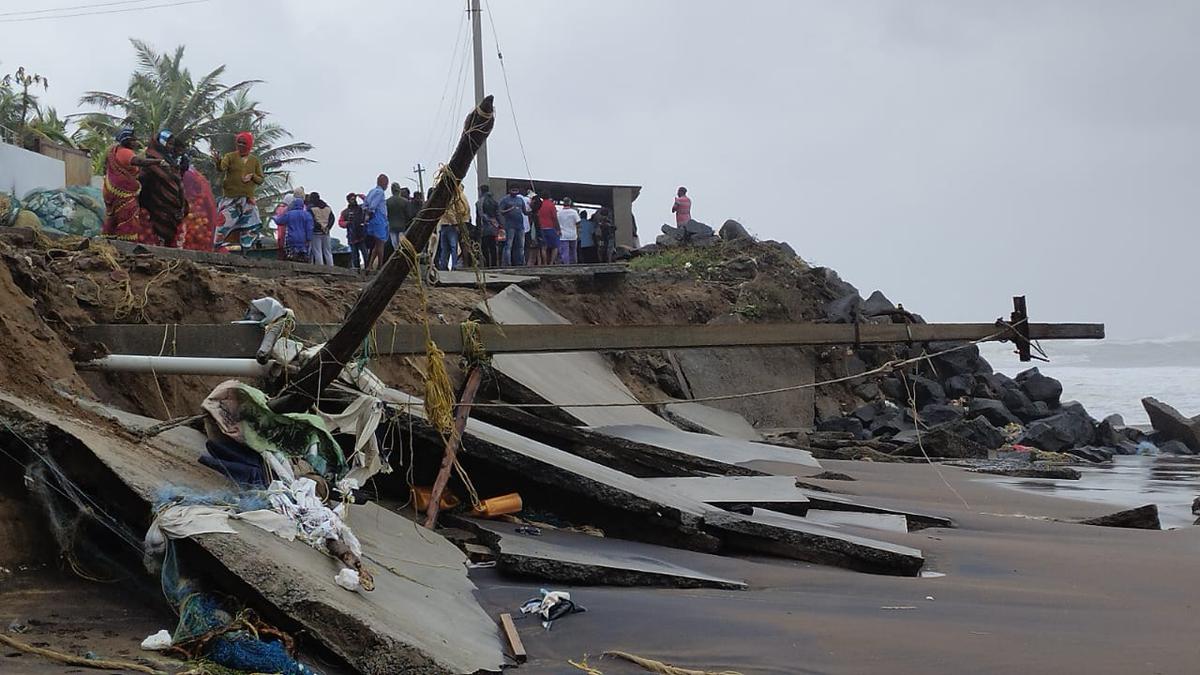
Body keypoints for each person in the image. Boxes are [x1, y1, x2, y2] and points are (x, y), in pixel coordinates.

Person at [101, 128, 166, 243]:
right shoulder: (125, 152)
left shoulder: (115, 151)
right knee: (128, 215)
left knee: (112, 217)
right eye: (133, 140)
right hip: (123, 192)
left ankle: (107, 241)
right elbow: (139, 162)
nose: (136, 143)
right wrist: (158, 162)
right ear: (126, 140)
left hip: (111, 191)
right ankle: (126, 245)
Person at [213, 131, 265, 250]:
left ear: (249, 145)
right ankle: (215, 247)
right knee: (223, 224)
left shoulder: (254, 161)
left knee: (249, 226)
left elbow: (261, 179)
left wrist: (252, 176)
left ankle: (244, 249)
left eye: (244, 143)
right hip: (231, 198)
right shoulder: (230, 157)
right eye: (239, 143)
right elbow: (222, 168)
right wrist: (217, 161)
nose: (241, 145)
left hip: (247, 200)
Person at [138, 129, 189, 247]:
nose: (171, 147)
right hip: (157, 198)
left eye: (172, 144)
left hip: (171, 198)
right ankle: (158, 245)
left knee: (170, 224)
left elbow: (175, 176)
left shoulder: (170, 159)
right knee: (160, 223)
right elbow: (144, 175)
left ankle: (166, 247)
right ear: (162, 142)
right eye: (169, 144)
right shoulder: (151, 157)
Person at [274, 193, 314, 262]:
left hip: (292, 238)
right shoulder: (307, 215)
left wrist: (274, 217)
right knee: (303, 256)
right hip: (303, 239)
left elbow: (279, 221)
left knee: (292, 256)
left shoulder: (289, 214)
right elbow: (309, 228)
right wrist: (309, 238)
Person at [362, 174, 389, 271]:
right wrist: (370, 212)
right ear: (383, 183)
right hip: (379, 218)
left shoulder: (371, 191)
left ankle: (370, 265)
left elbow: (365, 204)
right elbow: (373, 206)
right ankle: (380, 266)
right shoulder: (380, 192)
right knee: (381, 243)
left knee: (377, 244)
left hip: (373, 220)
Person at [498, 185, 526, 266]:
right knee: (508, 245)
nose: (514, 192)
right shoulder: (505, 200)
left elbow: (525, 212)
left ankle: (520, 263)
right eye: (513, 190)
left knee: (520, 246)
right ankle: (507, 263)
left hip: (520, 225)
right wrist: (509, 209)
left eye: (516, 190)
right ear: (509, 190)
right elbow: (500, 211)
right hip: (510, 226)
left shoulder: (520, 199)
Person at [339, 193, 367, 269]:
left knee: (365, 254)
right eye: (352, 199)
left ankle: (367, 269)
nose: (354, 200)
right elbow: (340, 222)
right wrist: (347, 223)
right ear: (348, 200)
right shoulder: (345, 212)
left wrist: (360, 196)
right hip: (352, 236)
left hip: (361, 235)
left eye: (354, 198)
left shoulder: (361, 208)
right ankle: (357, 271)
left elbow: (367, 202)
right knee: (355, 256)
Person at [307, 192, 335, 266]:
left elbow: (311, 220)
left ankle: (320, 268)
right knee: (328, 251)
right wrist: (328, 227)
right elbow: (332, 218)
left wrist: (320, 226)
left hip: (316, 232)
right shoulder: (327, 207)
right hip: (326, 232)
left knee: (317, 251)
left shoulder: (311, 208)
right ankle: (331, 267)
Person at [476, 184, 500, 267]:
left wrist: (478, 228)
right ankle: (494, 264)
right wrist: (498, 225)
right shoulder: (494, 201)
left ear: (481, 191)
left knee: (484, 247)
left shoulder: (480, 202)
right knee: (493, 246)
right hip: (494, 227)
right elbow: (498, 214)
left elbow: (480, 215)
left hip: (485, 227)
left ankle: (486, 265)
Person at [386, 182, 410, 256]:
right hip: (402, 226)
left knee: (395, 246)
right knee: (402, 245)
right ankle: (403, 256)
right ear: (399, 190)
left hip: (392, 227)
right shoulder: (405, 201)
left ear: (392, 190)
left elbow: (386, 215)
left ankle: (397, 255)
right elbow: (408, 215)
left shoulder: (387, 202)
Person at [535, 191, 559, 264]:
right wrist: (558, 228)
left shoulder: (539, 205)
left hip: (541, 227)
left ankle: (544, 263)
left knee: (543, 247)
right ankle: (551, 263)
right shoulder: (551, 205)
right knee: (555, 246)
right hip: (551, 227)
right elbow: (554, 217)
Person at [556, 198, 581, 265]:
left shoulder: (559, 213)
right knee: (573, 251)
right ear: (570, 203)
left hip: (563, 235)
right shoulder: (574, 212)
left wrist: (558, 230)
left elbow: (556, 223)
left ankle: (566, 265)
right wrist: (578, 232)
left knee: (565, 252)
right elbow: (578, 223)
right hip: (573, 234)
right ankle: (574, 265)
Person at [524, 189, 541, 266]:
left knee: (530, 254)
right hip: (536, 237)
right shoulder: (536, 215)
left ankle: (528, 264)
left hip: (531, 237)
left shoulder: (530, 215)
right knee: (535, 254)